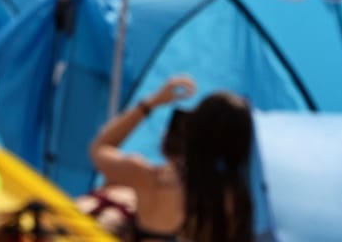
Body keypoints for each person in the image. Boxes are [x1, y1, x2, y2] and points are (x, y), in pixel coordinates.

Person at [90, 76, 255, 242]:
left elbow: (100, 148)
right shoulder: (234, 200)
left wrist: (152, 103)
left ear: (194, 129)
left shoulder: (152, 177)